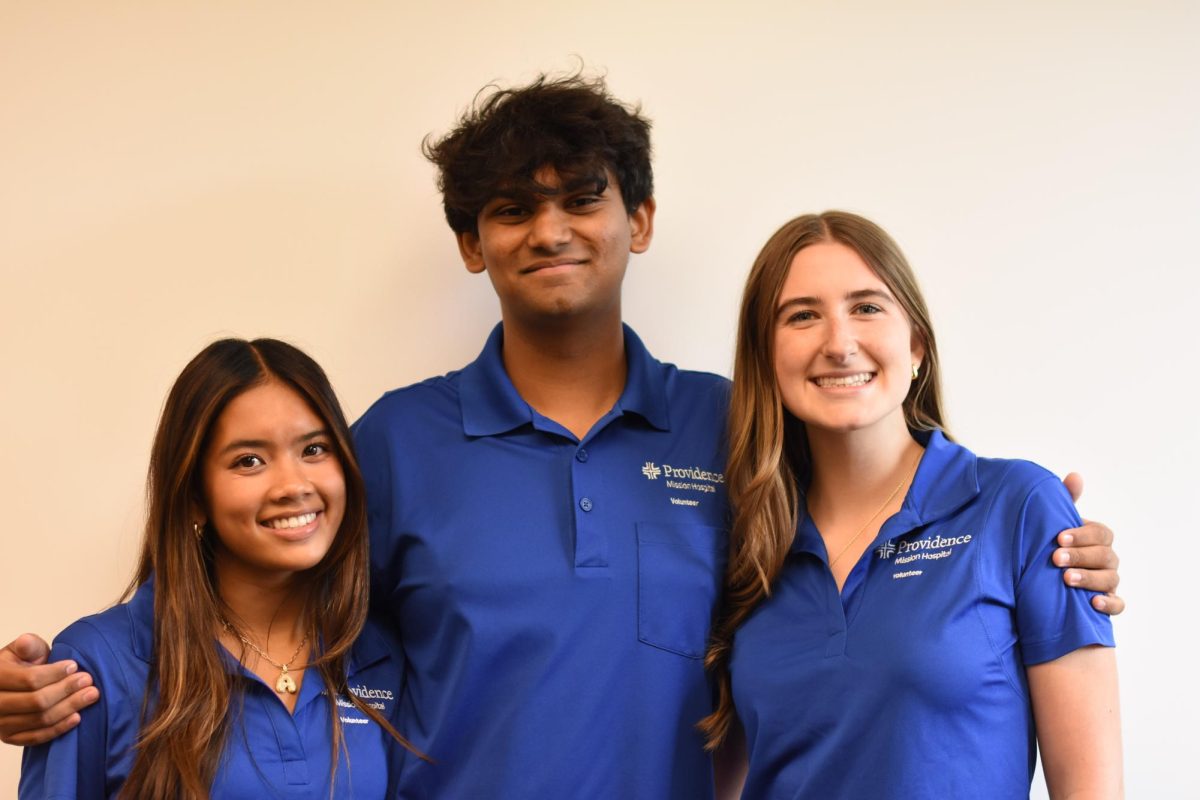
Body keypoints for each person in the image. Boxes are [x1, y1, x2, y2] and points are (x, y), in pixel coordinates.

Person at [1, 75, 1123, 798]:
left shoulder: (736, 430)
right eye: (509, 208)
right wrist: (66, 675)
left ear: (637, 220)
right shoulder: (388, 444)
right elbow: (259, 592)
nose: (549, 229)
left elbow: (879, 529)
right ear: (470, 245)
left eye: (582, 196)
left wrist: (1050, 547)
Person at [701, 211, 1122, 798]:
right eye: (802, 316)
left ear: (917, 343)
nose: (839, 343)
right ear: (766, 357)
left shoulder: (1019, 507)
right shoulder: (746, 541)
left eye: (867, 307)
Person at [19, 339, 418, 798]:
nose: (293, 485)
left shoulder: (379, 654)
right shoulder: (98, 665)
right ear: (193, 495)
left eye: (314, 449)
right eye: (249, 461)